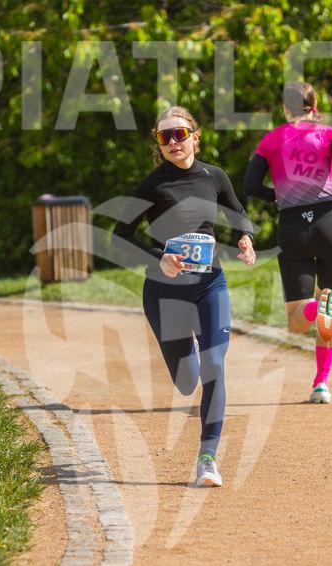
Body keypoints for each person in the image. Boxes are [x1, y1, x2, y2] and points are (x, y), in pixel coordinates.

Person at [113, 106, 257, 487]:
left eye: (180, 134)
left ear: (195, 136)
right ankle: (187, 350)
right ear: (158, 145)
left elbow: (238, 214)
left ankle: (207, 459)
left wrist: (245, 237)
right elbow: (119, 237)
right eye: (165, 137)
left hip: (210, 285)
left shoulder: (214, 176)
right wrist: (159, 258)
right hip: (164, 294)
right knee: (187, 380)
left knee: (214, 366)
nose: (174, 142)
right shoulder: (152, 185)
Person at [243, 81, 332, 404]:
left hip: (293, 227)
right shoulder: (330, 134)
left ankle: (312, 307)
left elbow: (250, 185)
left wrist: (275, 195)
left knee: (298, 322)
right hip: (330, 224)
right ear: (315, 106)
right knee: (331, 306)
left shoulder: (270, 140)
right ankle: (321, 383)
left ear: (285, 109)